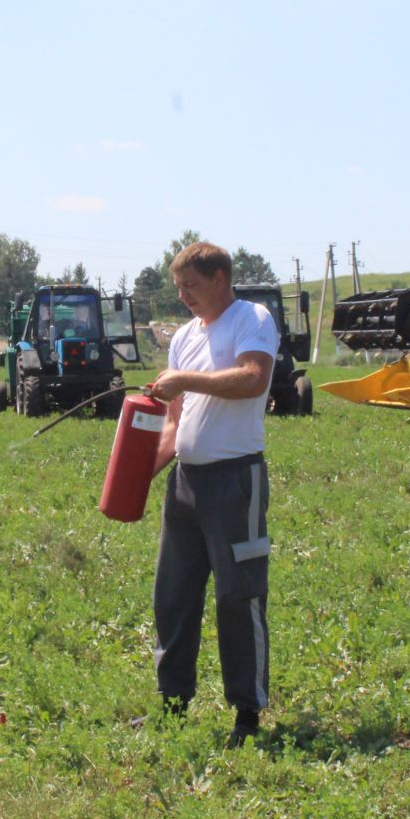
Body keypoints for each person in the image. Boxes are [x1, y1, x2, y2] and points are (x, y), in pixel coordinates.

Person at [144, 241, 280, 748]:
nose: (183, 297)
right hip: (186, 484)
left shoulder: (253, 318)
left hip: (234, 480)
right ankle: (173, 703)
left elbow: (252, 379)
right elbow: (174, 423)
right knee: (172, 597)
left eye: (191, 287)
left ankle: (247, 713)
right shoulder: (183, 336)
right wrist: (139, 479)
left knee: (237, 596)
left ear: (220, 278)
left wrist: (185, 380)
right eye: (178, 288)